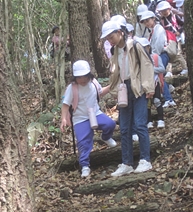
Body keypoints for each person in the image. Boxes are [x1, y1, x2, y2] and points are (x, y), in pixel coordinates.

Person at [100, 20, 155, 176]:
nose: (110, 41)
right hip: (124, 90)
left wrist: (149, 87)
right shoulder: (115, 51)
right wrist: (113, 88)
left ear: (120, 32)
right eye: (108, 38)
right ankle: (127, 163)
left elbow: (146, 65)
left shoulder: (135, 46)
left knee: (140, 124)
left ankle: (145, 160)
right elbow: (116, 72)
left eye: (111, 37)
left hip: (138, 88)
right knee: (124, 129)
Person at [60, 60, 117, 178]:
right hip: (80, 118)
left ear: (89, 75)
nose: (83, 79)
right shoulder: (72, 88)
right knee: (83, 142)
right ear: (75, 77)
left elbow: (100, 93)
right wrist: (64, 119)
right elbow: (65, 104)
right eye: (79, 77)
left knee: (110, 124)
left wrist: (112, 86)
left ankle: (105, 137)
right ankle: (85, 165)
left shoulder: (94, 83)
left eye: (85, 76)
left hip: (95, 113)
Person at [140, 10, 177, 108]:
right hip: (158, 55)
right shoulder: (153, 30)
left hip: (161, 55)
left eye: (148, 20)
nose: (146, 23)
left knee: (159, 76)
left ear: (153, 19)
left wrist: (153, 56)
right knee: (160, 77)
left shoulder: (158, 28)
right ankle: (168, 92)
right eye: (144, 22)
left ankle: (168, 99)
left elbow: (159, 45)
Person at [135, 37, 165, 128]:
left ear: (149, 47)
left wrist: (151, 69)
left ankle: (160, 119)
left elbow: (162, 69)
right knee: (147, 104)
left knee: (157, 101)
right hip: (145, 84)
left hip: (155, 82)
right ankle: (149, 121)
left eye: (145, 47)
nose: (144, 50)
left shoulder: (155, 57)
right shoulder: (138, 60)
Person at [156, 1, 188, 74]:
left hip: (176, 38)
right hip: (168, 40)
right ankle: (169, 71)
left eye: (165, 10)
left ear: (169, 9)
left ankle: (185, 68)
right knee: (169, 54)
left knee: (178, 53)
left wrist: (179, 32)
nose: (164, 12)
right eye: (162, 11)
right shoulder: (162, 20)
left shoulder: (174, 16)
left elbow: (183, 24)